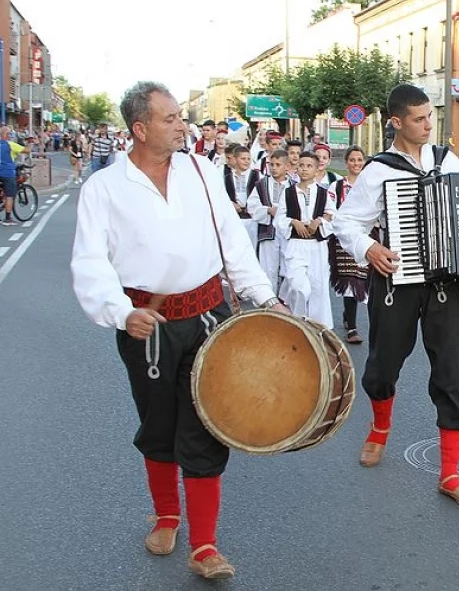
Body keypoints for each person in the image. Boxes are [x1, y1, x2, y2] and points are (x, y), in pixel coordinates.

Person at [71, 81, 289, 580]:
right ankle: (167, 514)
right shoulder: (104, 188)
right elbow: (90, 262)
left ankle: (205, 544)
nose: (181, 126)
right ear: (140, 128)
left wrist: (265, 298)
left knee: (207, 424)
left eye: (180, 118)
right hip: (147, 323)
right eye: (169, 119)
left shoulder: (200, 170)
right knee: (159, 423)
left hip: (212, 315)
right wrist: (119, 312)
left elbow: (231, 239)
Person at [332, 84, 459, 509]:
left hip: (444, 285)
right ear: (396, 122)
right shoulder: (379, 170)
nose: (428, 124)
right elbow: (345, 224)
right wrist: (371, 248)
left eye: (429, 117)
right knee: (382, 367)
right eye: (419, 118)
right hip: (396, 281)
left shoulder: (446, 159)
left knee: (451, 374)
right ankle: (379, 429)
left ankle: (450, 473)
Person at [276, 151, 335, 326]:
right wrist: (294, 222)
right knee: (299, 286)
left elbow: (334, 216)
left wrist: (320, 221)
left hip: (316, 246)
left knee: (318, 289)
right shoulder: (288, 193)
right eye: (301, 165)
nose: (304, 169)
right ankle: (299, 322)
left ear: (317, 170)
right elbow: (279, 219)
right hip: (295, 246)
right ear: (296, 168)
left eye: (309, 166)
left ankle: (318, 328)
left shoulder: (324, 194)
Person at [326, 145, 371, 344]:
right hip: (344, 238)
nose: (356, 164)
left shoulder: (370, 185)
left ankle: (348, 314)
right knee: (350, 280)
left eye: (360, 160)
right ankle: (352, 328)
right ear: (346, 163)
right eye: (352, 160)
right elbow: (330, 210)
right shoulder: (336, 187)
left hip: (368, 235)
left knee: (366, 280)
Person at [247, 149, 292, 293]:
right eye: (271, 164)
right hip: (268, 232)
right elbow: (252, 206)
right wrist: (267, 210)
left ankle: (286, 302)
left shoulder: (294, 185)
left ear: (287, 166)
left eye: (278, 164)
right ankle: (269, 302)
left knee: (288, 269)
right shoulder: (261, 184)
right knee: (268, 269)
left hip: (288, 234)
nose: (274, 168)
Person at [224, 145, 261, 246]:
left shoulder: (257, 175)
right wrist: (231, 204)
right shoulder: (226, 177)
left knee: (251, 247)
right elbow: (221, 196)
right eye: (243, 158)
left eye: (248, 159)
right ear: (235, 159)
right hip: (234, 218)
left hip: (252, 219)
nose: (246, 161)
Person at [0, 127, 17, 225]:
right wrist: (31, 143)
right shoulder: (10, 144)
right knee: (9, 196)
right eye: (10, 134)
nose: (11, 135)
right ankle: (7, 219)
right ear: (6, 135)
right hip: (7, 172)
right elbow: (26, 150)